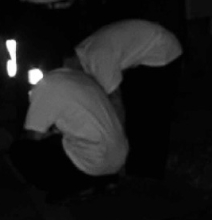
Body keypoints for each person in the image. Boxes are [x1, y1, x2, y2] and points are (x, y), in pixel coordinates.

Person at [70, 19, 183, 179]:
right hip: (144, 53)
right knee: (136, 112)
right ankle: (138, 166)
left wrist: (117, 138)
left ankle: (149, 172)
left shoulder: (98, 58)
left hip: (162, 53)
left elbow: (116, 102)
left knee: (150, 115)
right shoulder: (84, 51)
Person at [9, 68, 128, 204]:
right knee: (57, 141)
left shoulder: (46, 88)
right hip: (118, 158)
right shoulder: (76, 77)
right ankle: (104, 180)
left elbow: (33, 137)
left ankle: (73, 186)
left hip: (93, 160)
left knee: (20, 150)